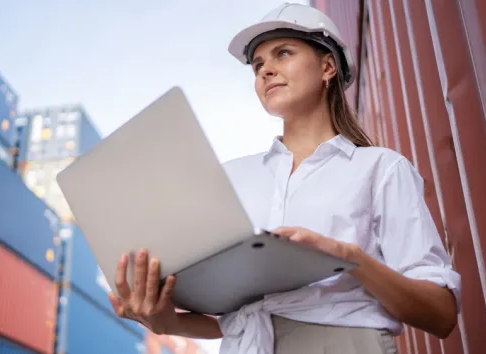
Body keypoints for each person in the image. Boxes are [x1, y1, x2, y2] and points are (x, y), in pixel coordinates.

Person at [107, 3, 461, 353]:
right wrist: (167, 320)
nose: (265, 71)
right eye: (258, 64)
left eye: (283, 53)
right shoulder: (231, 177)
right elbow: (237, 315)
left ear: (327, 67)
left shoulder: (380, 169)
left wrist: (345, 255)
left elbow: (440, 313)